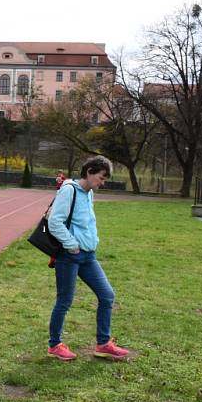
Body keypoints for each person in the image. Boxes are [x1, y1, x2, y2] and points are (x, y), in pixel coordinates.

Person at [45, 155, 129, 361]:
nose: (102, 183)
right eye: (101, 178)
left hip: (88, 256)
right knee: (65, 300)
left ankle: (103, 344)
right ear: (89, 172)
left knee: (107, 295)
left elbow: (87, 221)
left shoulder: (89, 193)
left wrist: (94, 240)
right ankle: (54, 345)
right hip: (70, 256)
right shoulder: (69, 190)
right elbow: (55, 222)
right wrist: (72, 245)